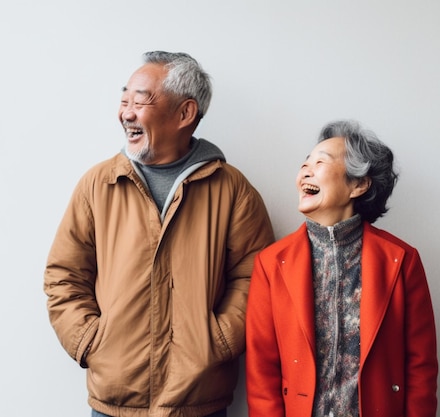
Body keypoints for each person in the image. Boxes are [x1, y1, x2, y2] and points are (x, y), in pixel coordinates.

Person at [44, 51, 274, 417]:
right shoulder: (98, 184)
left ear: (185, 113)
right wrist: (89, 340)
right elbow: (64, 276)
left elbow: (256, 278)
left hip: (199, 400)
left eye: (140, 101)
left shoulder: (232, 189)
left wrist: (218, 340)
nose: (126, 113)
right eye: (124, 100)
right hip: (114, 399)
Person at [245, 120, 438, 417]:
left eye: (320, 162)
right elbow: (261, 371)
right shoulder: (271, 264)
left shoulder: (402, 261)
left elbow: (421, 366)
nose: (305, 171)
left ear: (358, 184)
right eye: (304, 164)